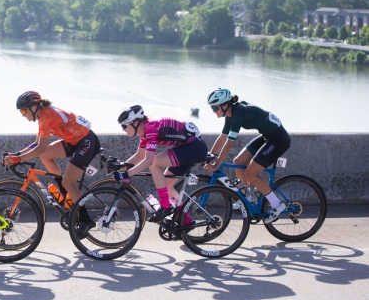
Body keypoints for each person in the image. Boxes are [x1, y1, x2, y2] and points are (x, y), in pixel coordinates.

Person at [2, 91, 101, 238]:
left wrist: (20, 159)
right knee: (46, 155)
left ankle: (86, 220)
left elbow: (40, 147)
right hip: (74, 141)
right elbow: (37, 144)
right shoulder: (43, 115)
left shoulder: (46, 115)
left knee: (69, 181)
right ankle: (64, 193)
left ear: (34, 107)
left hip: (86, 142)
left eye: (24, 111)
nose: (23, 115)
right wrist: (17, 155)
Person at [204, 88, 290, 224]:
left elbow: (228, 145)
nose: (213, 111)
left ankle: (277, 205)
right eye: (212, 108)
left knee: (251, 173)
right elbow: (222, 137)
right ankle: (247, 197)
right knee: (238, 161)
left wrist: (216, 164)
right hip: (268, 135)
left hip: (279, 139)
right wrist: (211, 154)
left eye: (215, 107)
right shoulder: (230, 114)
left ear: (225, 105)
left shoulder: (239, 114)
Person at [112, 105, 208, 223]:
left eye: (124, 125)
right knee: (167, 184)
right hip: (187, 147)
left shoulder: (151, 128)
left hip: (194, 147)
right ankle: (186, 221)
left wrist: (126, 174)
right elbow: (139, 155)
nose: (123, 129)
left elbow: (148, 161)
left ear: (136, 122)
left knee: (154, 163)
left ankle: (165, 207)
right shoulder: (145, 132)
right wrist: (122, 166)